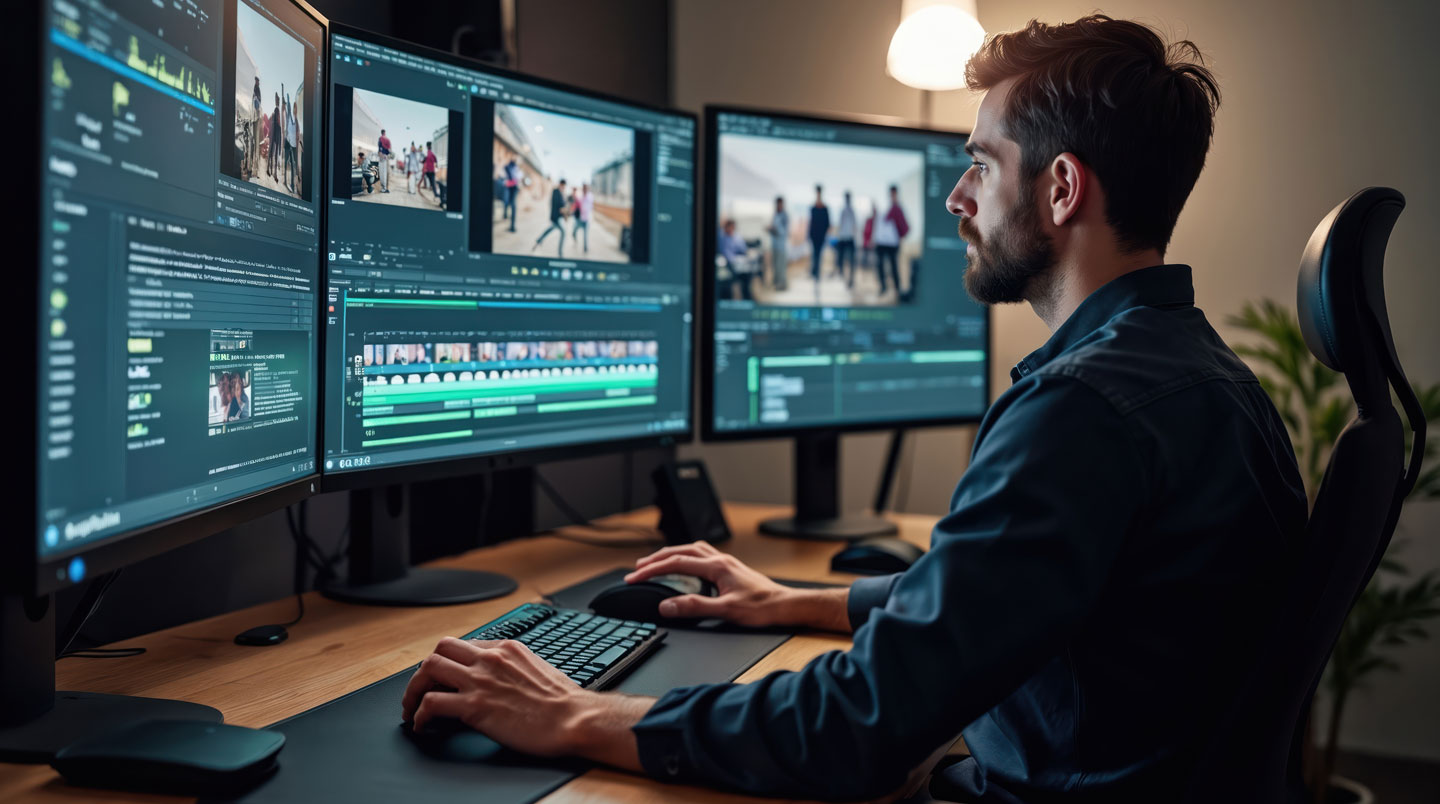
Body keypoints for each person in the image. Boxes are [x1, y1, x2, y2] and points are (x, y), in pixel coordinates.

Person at [399, 16, 1308, 803]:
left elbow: (856, 726)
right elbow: (983, 605)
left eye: (980, 166)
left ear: (1061, 188)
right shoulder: (1205, 377)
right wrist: (791, 601)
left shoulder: (1080, 410)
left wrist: (576, 713)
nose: (955, 198)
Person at [874, 184, 909, 296]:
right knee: (880, 265)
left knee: (894, 266)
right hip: (881, 242)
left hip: (892, 243)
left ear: (896, 194)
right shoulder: (886, 207)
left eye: (894, 193)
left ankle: (897, 289)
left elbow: (904, 226)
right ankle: (883, 287)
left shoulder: (898, 208)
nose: (892, 195)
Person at [716, 219, 753, 301]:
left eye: (732, 228)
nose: (730, 230)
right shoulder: (721, 237)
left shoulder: (737, 237)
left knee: (747, 277)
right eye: (728, 227)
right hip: (726, 264)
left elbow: (743, 250)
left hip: (739, 264)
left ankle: (747, 299)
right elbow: (723, 251)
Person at [532, 179, 569, 258]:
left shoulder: (559, 192)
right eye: (563, 186)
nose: (563, 188)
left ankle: (539, 240)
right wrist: (564, 212)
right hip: (556, 217)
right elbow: (559, 205)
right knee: (563, 232)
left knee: (550, 229)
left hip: (557, 217)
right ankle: (560, 253)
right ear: (561, 184)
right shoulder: (556, 192)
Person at [806, 184, 830, 282]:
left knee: (818, 254)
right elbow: (811, 222)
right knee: (815, 254)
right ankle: (814, 272)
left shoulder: (824, 208)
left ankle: (816, 272)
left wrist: (824, 233)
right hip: (814, 235)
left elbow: (827, 223)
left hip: (820, 236)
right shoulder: (813, 208)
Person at [766, 196, 789, 291]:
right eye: (777, 204)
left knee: (780, 266)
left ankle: (782, 284)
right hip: (774, 244)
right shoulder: (775, 214)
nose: (779, 205)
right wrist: (770, 229)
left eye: (780, 204)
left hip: (781, 245)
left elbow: (785, 231)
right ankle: (776, 283)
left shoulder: (784, 216)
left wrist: (775, 229)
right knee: (775, 265)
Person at [836, 191, 857, 286]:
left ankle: (850, 280)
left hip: (850, 239)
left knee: (851, 261)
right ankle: (844, 277)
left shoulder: (851, 211)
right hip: (843, 238)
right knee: (841, 261)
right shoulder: (843, 210)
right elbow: (840, 224)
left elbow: (854, 225)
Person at [571, 182, 594, 253]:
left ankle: (585, 248)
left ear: (587, 189)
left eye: (586, 188)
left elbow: (590, 207)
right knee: (574, 231)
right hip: (580, 219)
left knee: (585, 235)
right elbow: (577, 203)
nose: (585, 190)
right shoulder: (580, 196)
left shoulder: (590, 196)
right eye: (584, 188)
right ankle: (575, 240)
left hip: (587, 220)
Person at [503, 158, 521, 230]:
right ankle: (511, 224)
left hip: (511, 187)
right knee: (511, 204)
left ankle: (511, 224)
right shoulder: (515, 168)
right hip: (512, 187)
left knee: (508, 203)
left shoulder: (509, 167)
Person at [269, 92, 281, 180]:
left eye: (278, 100)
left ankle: (274, 173)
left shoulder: (278, 111)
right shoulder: (275, 111)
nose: (278, 102)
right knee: (272, 153)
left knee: (275, 154)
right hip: (274, 135)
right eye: (277, 100)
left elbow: (278, 124)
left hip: (277, 135)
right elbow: (274, 124)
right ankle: (271, 170)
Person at [377, 128, 391, 193]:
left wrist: (380, 153)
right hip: (386, 157)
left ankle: (384, 188)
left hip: (381, 156)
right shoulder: (388, 139)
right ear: (385, 133)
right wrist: (387, 155)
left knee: (382, 172)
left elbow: (379, 147)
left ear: (381, 133)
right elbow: (389, 150)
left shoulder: (380, 138)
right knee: (385, 172)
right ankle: (385, 188)